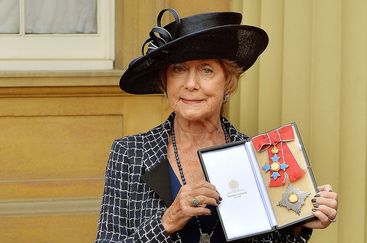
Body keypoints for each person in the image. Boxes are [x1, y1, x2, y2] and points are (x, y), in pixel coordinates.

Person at [95, 8, 338, 243]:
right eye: (179, 69)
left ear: (228, 83)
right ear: (165, 81)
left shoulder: (258, 157)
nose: (191, 84)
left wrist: (297, 225)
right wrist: (166, 222)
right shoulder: (129, 153)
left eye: (206, 70)